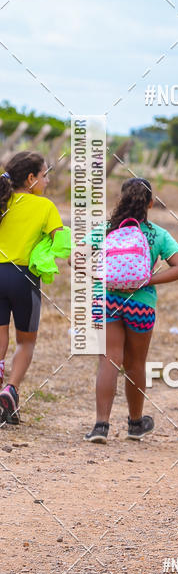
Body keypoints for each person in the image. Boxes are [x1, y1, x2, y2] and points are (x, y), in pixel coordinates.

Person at [84, 177, 178, 444]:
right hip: (141, 305)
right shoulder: (157, 234)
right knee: (136, 364)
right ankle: (135, 424)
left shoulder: (107, 230)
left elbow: (76, 256)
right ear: (150, 203)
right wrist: (146, 279)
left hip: (107, 299)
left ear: (122, 200)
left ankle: (100, 426)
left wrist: (99, 274)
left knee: (109, 358)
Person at [0, 152, 65, 424]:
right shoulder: (45, 207)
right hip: (23, 278)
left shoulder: (2, 201)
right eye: (44, 175)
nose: (47, 182)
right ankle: (11, 390)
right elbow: (62, 245)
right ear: (30, 179)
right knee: (26, 341)